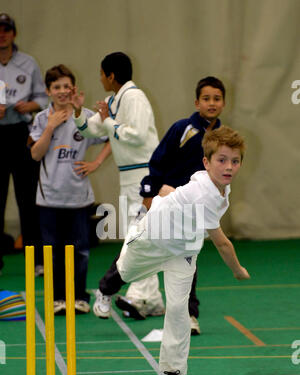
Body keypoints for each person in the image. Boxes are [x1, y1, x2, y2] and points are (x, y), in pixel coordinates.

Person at [92, 125, 250, 375]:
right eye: (221, 160)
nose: (229, 167)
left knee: (178, 308)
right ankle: (106, 287)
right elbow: (223, 243)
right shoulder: (206, 195)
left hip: (183, 251)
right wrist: (237, 270)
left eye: (234, 161)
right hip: (151, 238)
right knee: (125, 270)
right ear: (206, 162)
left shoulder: (217, 185)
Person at [116, 76, 226, 335]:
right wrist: (151, 192)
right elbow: (158, 161)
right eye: (206, 98)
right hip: (168, 201)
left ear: (223, 103)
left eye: (217, 98)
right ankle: (138, 295)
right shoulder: (182, 128)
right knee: (146, 246)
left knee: (187, 261)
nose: (211, 103)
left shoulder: (222, 137)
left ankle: (189, 315)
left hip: (194, 211)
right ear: (196, 102)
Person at [70, 51, 165, 319]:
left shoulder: (134, 97)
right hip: (129, 176)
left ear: (111, 75)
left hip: (145, 174)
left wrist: (109, 120)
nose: (99, 78)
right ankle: (153, 299)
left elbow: (134, 135)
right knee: (138, 235)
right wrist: (79, 111)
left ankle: (135, 295)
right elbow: (92, 130)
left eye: (101, 74)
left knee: (139, 236)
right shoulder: (114, 100)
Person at [29, 64, 108, 315]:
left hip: (78, 198)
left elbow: (110, 138)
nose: (62, 91)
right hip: (49, 198)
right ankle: (57, 299)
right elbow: (35, 154)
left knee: (79, 251)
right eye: (56, 87)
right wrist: (50, 127)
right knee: (52, 254)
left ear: (73, 88)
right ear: (48, 91)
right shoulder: (41, 118)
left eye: (66, 86)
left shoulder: (83, 116)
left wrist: (95, 163)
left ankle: (78, 297)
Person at [0, 13, 48, 275]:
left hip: (22, 133)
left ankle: (37, 259)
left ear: (14, 34)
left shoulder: (27, 63)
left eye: (6, 30)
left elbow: (42, 96)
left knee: (27, 198)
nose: (2, 34)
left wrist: (29, 104)